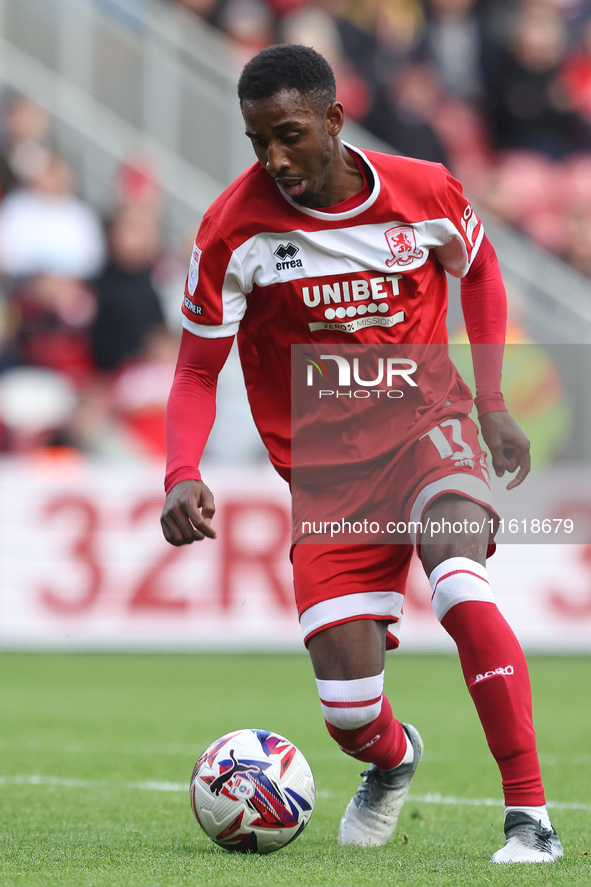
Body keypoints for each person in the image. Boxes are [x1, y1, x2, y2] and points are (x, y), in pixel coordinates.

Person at [160, 43, 563, 863]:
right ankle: (392, 757)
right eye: (256, 141)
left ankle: (529, 817)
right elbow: (197, 368)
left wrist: (489, 402)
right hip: (328, 478)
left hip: (428, 427)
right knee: (348, 714)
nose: (274, 158)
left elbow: (479, 271)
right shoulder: (232, 228)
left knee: (457, 580)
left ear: (335, 121)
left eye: (289, 135)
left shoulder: (424, 189)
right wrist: (181, 472)